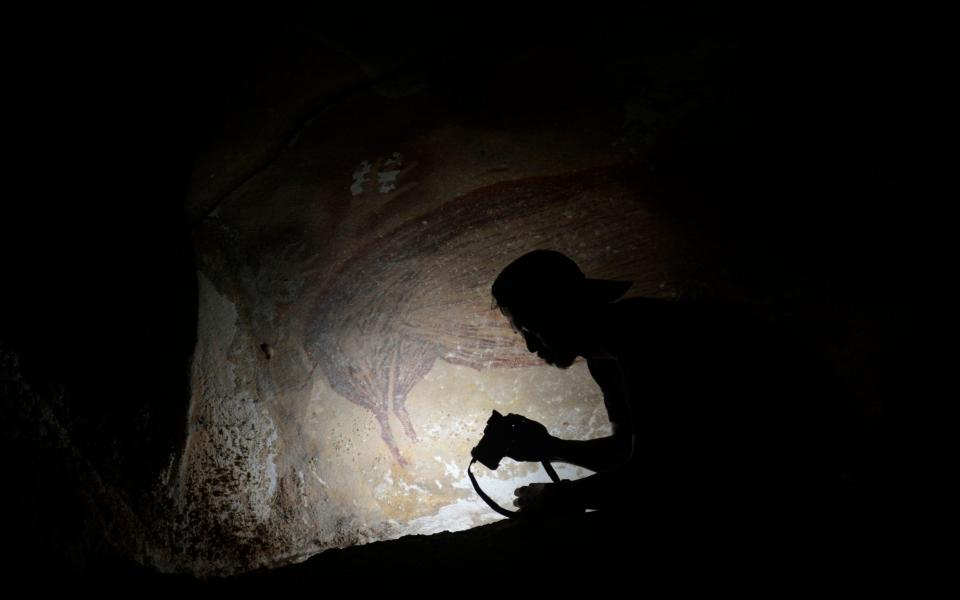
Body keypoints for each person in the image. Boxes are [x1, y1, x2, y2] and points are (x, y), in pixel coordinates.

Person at [491, 250, 854, 522]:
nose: (531, 346)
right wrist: (550, 447)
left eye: (528, 327)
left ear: (558, 310)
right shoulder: (606, 358)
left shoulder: (648, 337)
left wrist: (558, 497)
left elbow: (658, 476)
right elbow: (636, 452)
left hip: (813, 472)